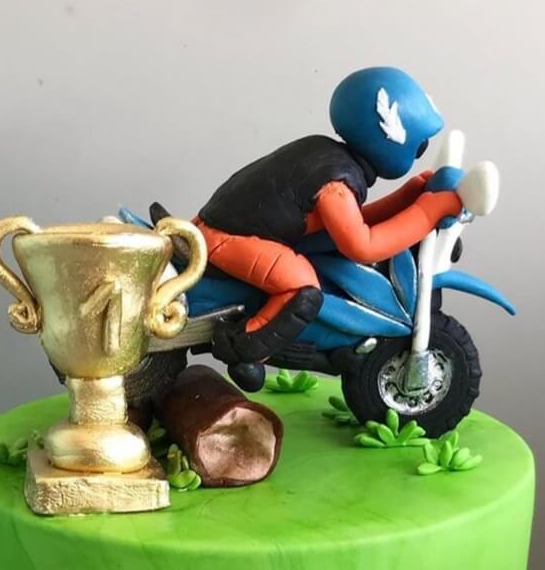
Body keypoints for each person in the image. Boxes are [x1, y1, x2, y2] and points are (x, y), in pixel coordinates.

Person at [195, 67, 465, 389]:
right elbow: (362, 246)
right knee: (301, 287)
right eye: (419, 146)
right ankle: (245, 348)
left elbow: (353, 223)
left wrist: (409, 197)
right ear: (390, 134)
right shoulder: (335, 183)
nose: (418, 152)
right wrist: (428, 212)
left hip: (232, 226)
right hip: (227, 238)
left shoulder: (328, 155)